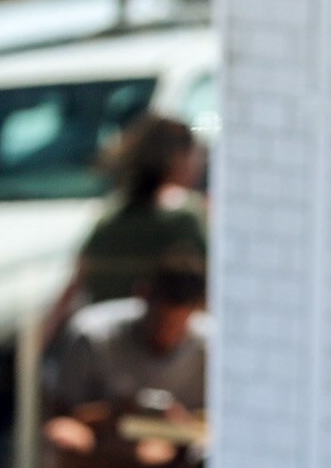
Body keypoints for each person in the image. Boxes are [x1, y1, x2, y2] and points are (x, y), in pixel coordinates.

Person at [41, 251, 210, 468]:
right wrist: (117, 412)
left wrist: (181, 425)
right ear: (143, 297)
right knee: (62, 439)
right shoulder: (94, 335)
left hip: (181, 453)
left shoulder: (210, 346)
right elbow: (61, 414)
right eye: (160, 322)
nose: (165, 335)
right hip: (112, 442)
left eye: (177, 327)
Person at [41, 113, 207, 346]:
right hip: (160, 353)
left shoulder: (109, 220)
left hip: (106, 351)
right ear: (179, 158)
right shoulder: (185, 219)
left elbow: (74, 287)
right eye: (195, 155)